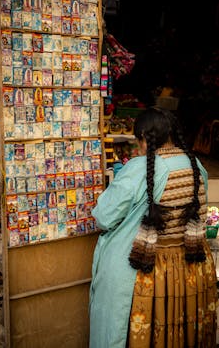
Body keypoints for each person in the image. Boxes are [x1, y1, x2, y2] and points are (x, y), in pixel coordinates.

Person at [89, 107, 218, 348]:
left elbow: (104, 217)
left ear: (144, 140)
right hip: (191, 270)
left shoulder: (139, 169)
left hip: (148, 272)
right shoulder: (196, 165)